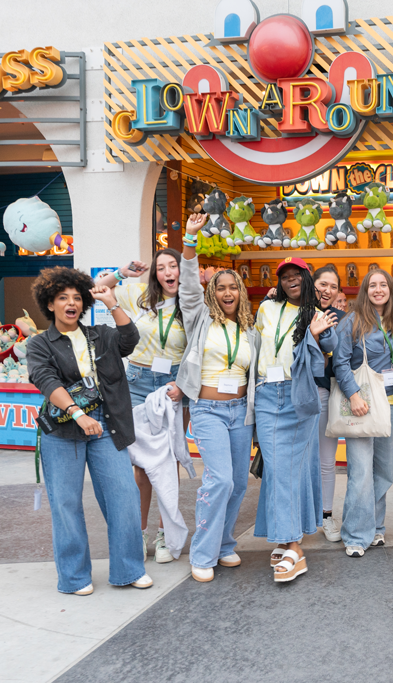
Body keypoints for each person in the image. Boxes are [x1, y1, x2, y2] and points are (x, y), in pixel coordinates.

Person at [27, 267, 152, 595]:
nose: (71, 303)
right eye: (62, 298)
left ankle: (129, 569)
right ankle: (74, 577)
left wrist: (112, 303)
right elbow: (45, 379)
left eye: (76, 298)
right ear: (50, 304)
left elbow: (130, 340)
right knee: (65, 503)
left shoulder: (101, 335)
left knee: (124, 496)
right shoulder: (40, 344)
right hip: (63, 430)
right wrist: (77, 413)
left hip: (106, 424)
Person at [176, 214, 259, 583]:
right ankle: (202, 552)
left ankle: (224, 543)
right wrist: (190, 240)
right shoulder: (200, 318)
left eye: (233, 287)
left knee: (238, 482)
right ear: (212, 292)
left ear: (240, 292)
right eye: (221, 287)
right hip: (207, 409)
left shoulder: (249, 329)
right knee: (220, 480)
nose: (227, 293)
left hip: (240, 411)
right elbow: (187, 286)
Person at [94, 251, 186, 564]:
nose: (168, 272)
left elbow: (198, 349)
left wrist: (184, 384)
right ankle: (139, 532)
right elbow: (97, 287)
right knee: (141, 464)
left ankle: (164, 534)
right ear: (155, 274)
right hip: (136, 383)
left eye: (173, 266)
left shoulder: (191, 304)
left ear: (181, 270)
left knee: (170, 459)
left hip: (173, 385)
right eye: (161, 268)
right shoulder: (141, 296)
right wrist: (122, 272)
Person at [254, 257, 338, 582]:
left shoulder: (316, 314)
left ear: (306, 279)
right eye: (285, 276)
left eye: (297, 275)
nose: (291, 280)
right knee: (276, 470)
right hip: (266, 393)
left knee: (288, 470)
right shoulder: (266, 308)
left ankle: (293, 546)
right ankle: (283, 536)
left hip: (298, 394)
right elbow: (256, 347)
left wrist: (315, 335)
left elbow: (324, 358)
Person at [332, 269, 393, 557]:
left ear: (390, 289)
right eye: (372, 285)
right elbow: (340, 363)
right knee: (360, 471)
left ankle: (376, 527)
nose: (378, 289)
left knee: (383, 471)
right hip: (362, 403)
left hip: (390, 403)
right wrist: (354, 396)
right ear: (365, 290)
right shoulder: (353, 321)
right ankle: (355, 535)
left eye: (383, 284)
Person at [311, 266, 345, 543]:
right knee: (297, 460)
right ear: (312, 283)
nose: (327, 290)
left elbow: (343, 360)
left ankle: (327, 515)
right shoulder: (295, 312)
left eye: (333, 286)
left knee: (326, 460)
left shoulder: (341, 318)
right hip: (294, 393)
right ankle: (299, 518)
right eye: (323, 284)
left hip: (324, 392)